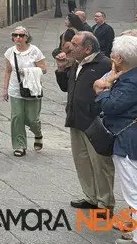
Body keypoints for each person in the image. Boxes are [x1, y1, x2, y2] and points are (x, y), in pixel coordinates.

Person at [55, 31, 115, 211]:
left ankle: (105, 203)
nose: (69, 47)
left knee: (100, 164)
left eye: (75, 44)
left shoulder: (105, 64)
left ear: (87, 49)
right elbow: (66, 87)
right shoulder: (76, 63)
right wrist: (61, 69)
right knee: (82, 161)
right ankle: (91, 197)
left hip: (95, 122)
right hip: (75, 119)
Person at [95, 35, 137, 244]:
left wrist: (102, 90)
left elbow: (111, 106)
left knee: (132, 190)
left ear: (119, 58)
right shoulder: (127, 76)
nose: (110, 55)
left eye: (112, 53)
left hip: (127, 141)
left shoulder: (130, 82)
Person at [2, 26, 47, 156]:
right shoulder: (10, 52)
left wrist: (28, 71)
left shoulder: (35, 51)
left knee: (33, 119)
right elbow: (8, 71)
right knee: (17, 117)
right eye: (15, 35)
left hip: (32, 89)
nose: (18, 38)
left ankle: (38, 133)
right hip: (15, 88)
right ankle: (19, 145)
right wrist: (5, 89)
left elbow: (44, 69)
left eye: (21, 35)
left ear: (26, 37)